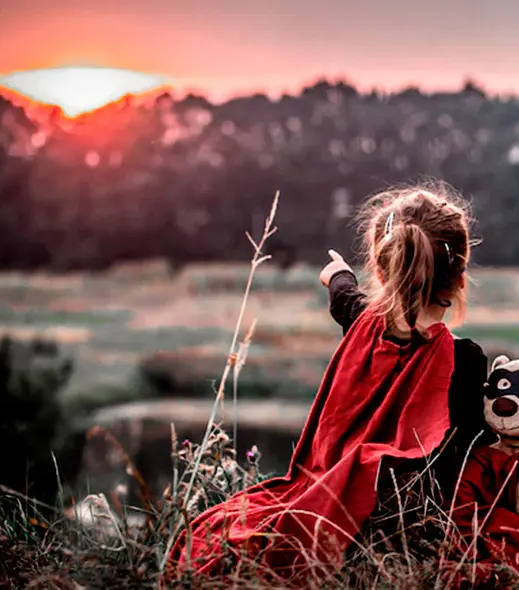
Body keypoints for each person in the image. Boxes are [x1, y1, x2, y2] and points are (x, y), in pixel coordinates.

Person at [170, 185, 493, 581]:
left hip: (333, 501)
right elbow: (476, 444)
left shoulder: (361, 324)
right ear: (460, 278)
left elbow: (344, 296)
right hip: (410, 524)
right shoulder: (467, 360)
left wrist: (337, 273)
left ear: (379, 268)